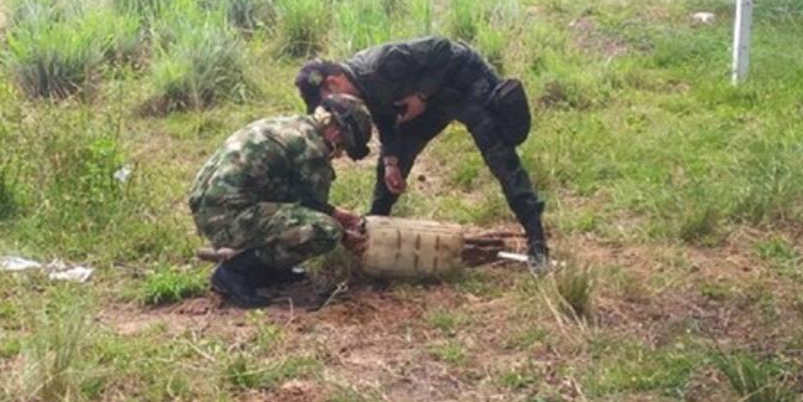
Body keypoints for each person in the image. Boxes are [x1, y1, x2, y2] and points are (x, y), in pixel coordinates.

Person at [295, 37, 549, 271]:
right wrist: (391, 162)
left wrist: (421, 95)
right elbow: (387, 121)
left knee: (501, 159)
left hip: (465, 84)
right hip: (429, 105)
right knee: (392, 165)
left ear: (333, 83)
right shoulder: (359, 90)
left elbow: (444, 49)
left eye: (326, 100)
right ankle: (374, 231)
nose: (331, 110)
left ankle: (537, 242)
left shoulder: (380, 64)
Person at [187, 94, 373, 308]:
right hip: (225, 216)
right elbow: (312, 211)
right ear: (336, 131)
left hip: (208, 204)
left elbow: (294, 195)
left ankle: (271, 270)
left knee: (312, 221)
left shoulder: (293, 125)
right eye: (342, 146)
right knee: (326, 231)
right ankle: (235, 273)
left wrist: (337, 213)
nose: (339, 152)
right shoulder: (313, 149)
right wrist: (344, 236)